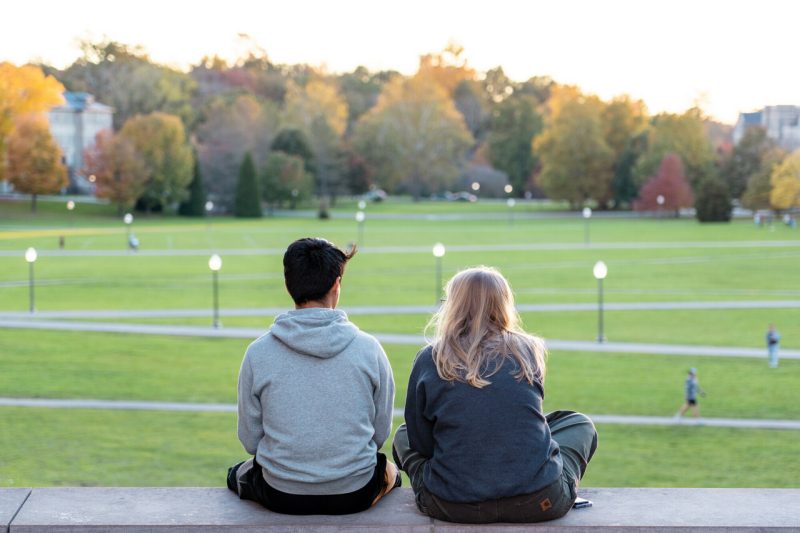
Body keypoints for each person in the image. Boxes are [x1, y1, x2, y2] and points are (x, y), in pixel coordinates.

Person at [392, 266, 597, 524]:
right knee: (580, 425)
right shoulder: (527, 349)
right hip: (540, 501)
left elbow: (421, 443)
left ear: (454, 306)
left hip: (450, 504)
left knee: (403, 435)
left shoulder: (431, 357)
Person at [227, 237, 399, 514]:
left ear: (288, 285)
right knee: (390, 472)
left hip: (282, 493)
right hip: (354, 492)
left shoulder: (257, 353)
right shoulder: (370, 349)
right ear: (336, 285)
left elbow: (250, 441)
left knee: (237, 473)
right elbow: (379, 435)